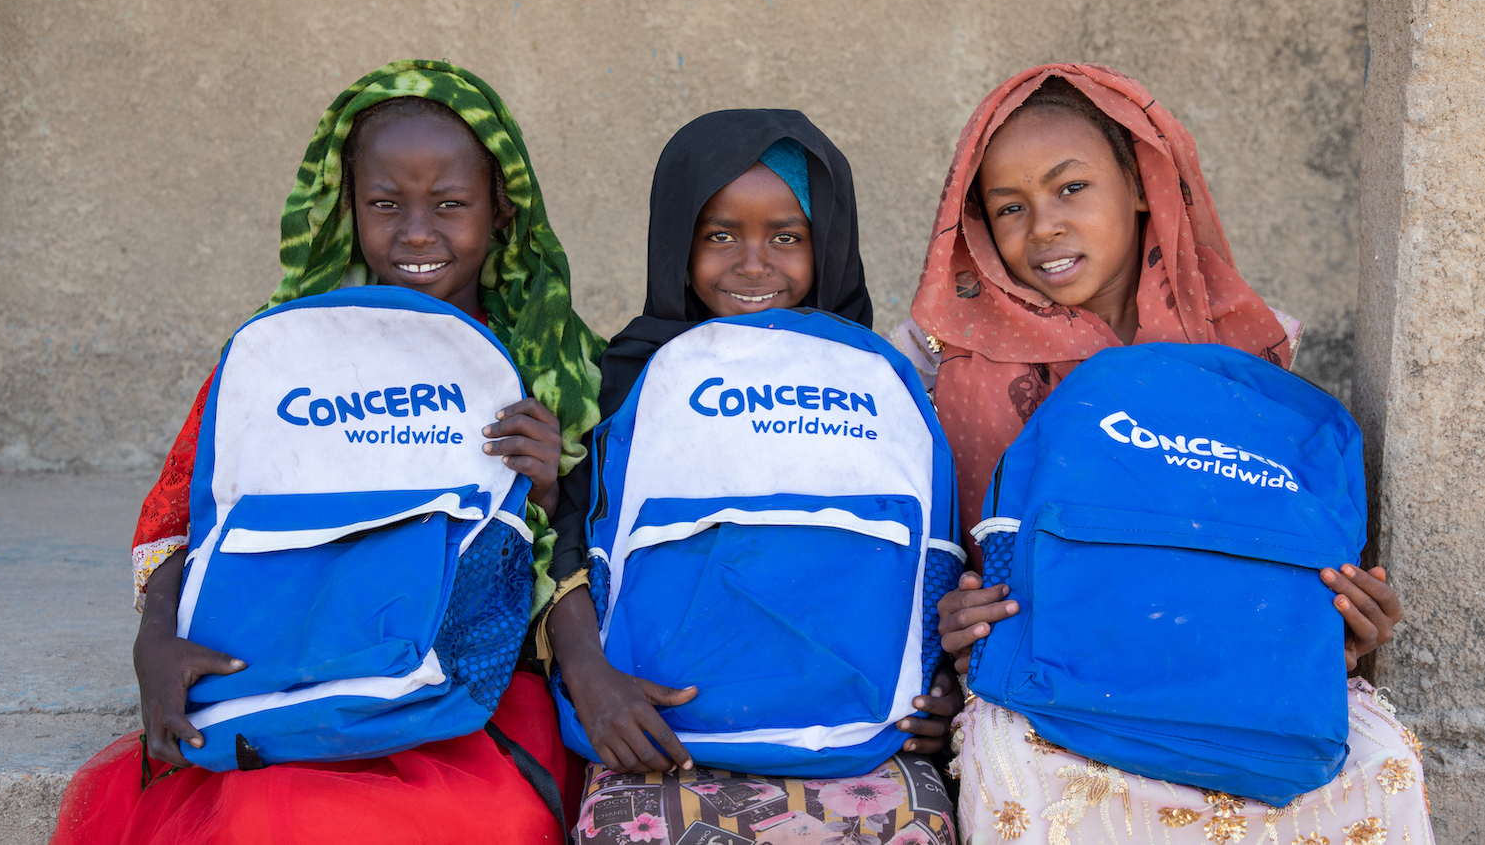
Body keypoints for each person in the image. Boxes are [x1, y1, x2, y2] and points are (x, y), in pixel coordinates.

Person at [51, 60, 606, 845]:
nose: (417, 232)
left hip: (463, 680)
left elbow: (581, 551)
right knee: (267, 815)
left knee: (494, 818)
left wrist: (545, 489)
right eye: (386, 204)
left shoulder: (550, 362)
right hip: (292, 661)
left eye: (450, 204)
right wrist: (156, 644)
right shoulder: (284, 357)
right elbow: (196, 517)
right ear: (347, 208)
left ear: (503, 210)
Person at [912, 65, 1433, 844]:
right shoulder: (945, 364)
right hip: (1054, 678)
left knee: (1380, 762)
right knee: (1012, 768)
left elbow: (1283, 547)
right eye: (1009, 207)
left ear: (1143, 184)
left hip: (1237, 673)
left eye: (1071, 189)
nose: (1043, 226)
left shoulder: (1250, 353)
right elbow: (931, 563)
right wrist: (948, 620)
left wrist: (1344, 621)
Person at [541, 109, 962, 845]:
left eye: (787, 236)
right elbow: (565, 543)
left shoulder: (873, 385)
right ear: (677, 240)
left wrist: (936, 687)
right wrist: (591, 681)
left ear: (827, 244)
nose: (753, 263)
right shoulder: (620, 384)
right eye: (720, 234)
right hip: (657, 726)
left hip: (861, 726)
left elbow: (926, 560)